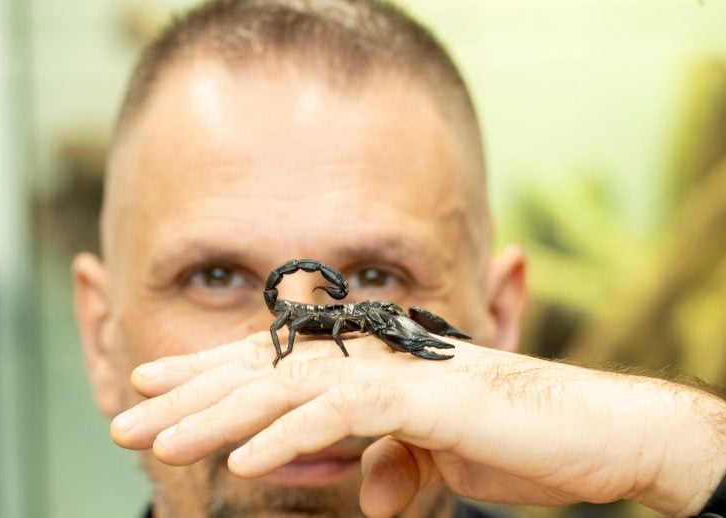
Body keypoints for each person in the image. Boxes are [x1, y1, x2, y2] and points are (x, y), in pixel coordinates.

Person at [71, 0, 726, 516]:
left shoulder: (344, 324)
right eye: (213, 277)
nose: (302, 381)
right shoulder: (305, 326)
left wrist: (692, 445)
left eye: (378, 273)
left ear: (500, 320)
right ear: (101, 338)